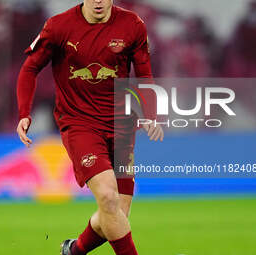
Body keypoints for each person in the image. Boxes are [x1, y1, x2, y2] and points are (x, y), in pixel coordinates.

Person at [16, 1, 164, 254]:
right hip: (79, 124)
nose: (98, 1)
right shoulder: (58, 26)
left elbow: (144, 73)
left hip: (121, 127)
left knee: (116, 212)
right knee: (108, 198)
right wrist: (24, 114)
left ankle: (73, 251)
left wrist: (151, 115)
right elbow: (30, 67)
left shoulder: (132, 25)